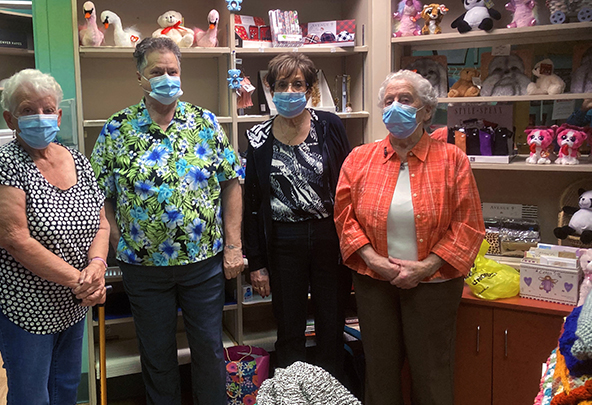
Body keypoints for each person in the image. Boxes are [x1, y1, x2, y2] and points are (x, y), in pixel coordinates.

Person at [90, 37, 244, 405]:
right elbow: (99, 195)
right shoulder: (117, 129)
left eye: (172, 71)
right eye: (156, 71)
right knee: (156, 354)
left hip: (204, 264)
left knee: (208, 349)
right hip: (144, 268)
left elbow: (231, 183)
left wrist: (234, 246)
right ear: (140, 78)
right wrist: (116, 243)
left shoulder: (204, 122)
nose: (166, 78)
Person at [334, 69, 485, 405]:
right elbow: (344, 219)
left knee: (432, 371)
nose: (395, 108)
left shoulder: (452, 161)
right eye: (388, 101)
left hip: (435, 284)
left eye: (405, 100)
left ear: (426, 111)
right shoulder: (359, 159)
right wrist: (375, 262)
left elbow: (468, 225)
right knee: (380, 370)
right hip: (375, 282)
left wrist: (425, 267)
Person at [0, 69, 109, 405]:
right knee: (32, 394)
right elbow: (15, 240)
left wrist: (96, 264)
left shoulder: (77, 159)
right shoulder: (3, 163)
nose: (40, 117)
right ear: (10, 118)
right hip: (21, 300)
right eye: (27, 110)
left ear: (59, 115)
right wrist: (83, 281)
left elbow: (101, 223)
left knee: (65, 387)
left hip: (71, 298)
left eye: (48, 109)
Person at [243, 53, 352, 379]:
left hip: (327, 237)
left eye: (297, 84)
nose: (290, 91)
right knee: (288, 323)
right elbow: (252, 203)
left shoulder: (329, 126)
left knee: (331, 321)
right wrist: (257, 262)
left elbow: (348, 185)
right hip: (282, 240)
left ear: (309, 89)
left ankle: (330, 392)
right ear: (270, 88)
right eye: (282, 85)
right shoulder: (258, 138)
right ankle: (291, 391)